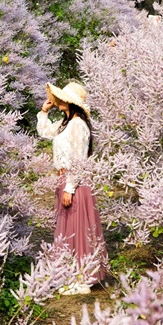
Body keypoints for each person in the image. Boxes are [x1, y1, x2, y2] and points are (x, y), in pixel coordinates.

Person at [38, 81, 109, 295]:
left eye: (61, 99)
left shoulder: (78, 125)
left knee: (79, 227)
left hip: (75, 181)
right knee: (69, 229)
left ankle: (84, 279)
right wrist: (44, 111)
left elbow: (79, 159)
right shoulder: (65, 123)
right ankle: (71, 275)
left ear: (70, 102)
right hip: (65, 180)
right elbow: (45, 133)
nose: (57, 101)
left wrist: (70, 187)